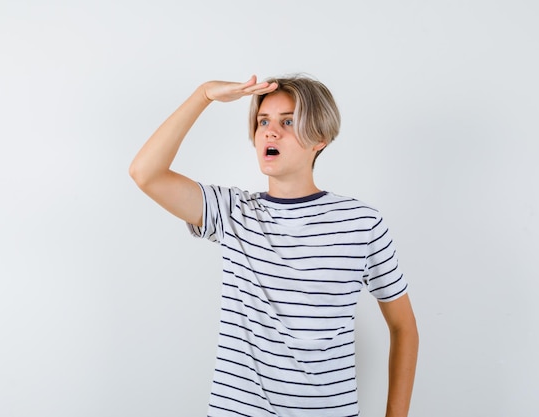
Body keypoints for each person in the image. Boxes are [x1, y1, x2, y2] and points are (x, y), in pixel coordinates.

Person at [129, 74, 419, 417]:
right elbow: (145, 172)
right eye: (263, 121)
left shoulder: (362, 223)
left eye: (288, 122)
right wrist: (203, 95)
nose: (270, 131)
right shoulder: (232, 213)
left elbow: (404, 328)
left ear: (320, 138)